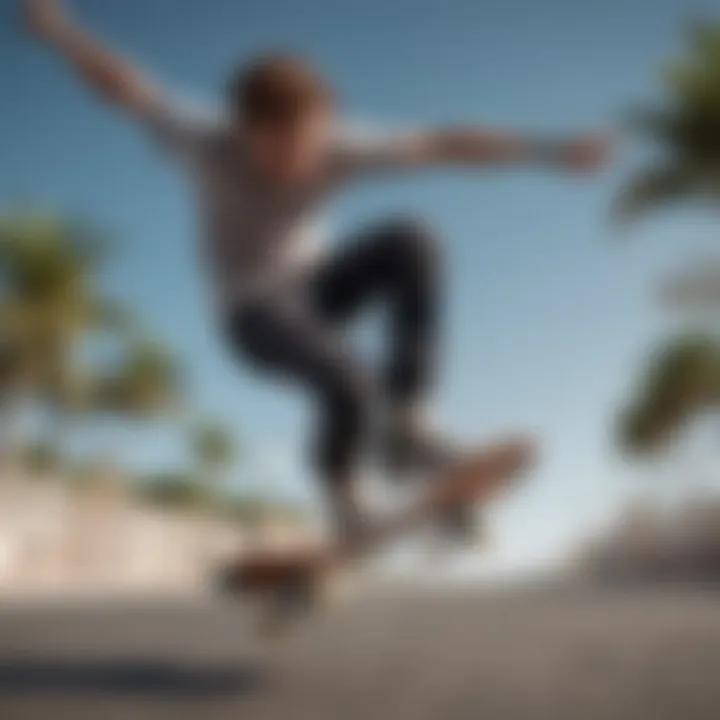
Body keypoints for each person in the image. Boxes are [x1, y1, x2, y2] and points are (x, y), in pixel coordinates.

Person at [26, 0, 609, 548]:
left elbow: (445, 143)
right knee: (349, 381)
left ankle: (408, 419)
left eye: (301, 145)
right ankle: (342, 491)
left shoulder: (342, 146)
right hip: (251, 314)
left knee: (414, 240)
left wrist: (548, 152)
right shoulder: (202, 139)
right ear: (243, 128)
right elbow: (127, 87)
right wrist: (59, 31)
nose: (287, 162)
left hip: (317, 289)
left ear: (323, 122)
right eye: (270, 147)